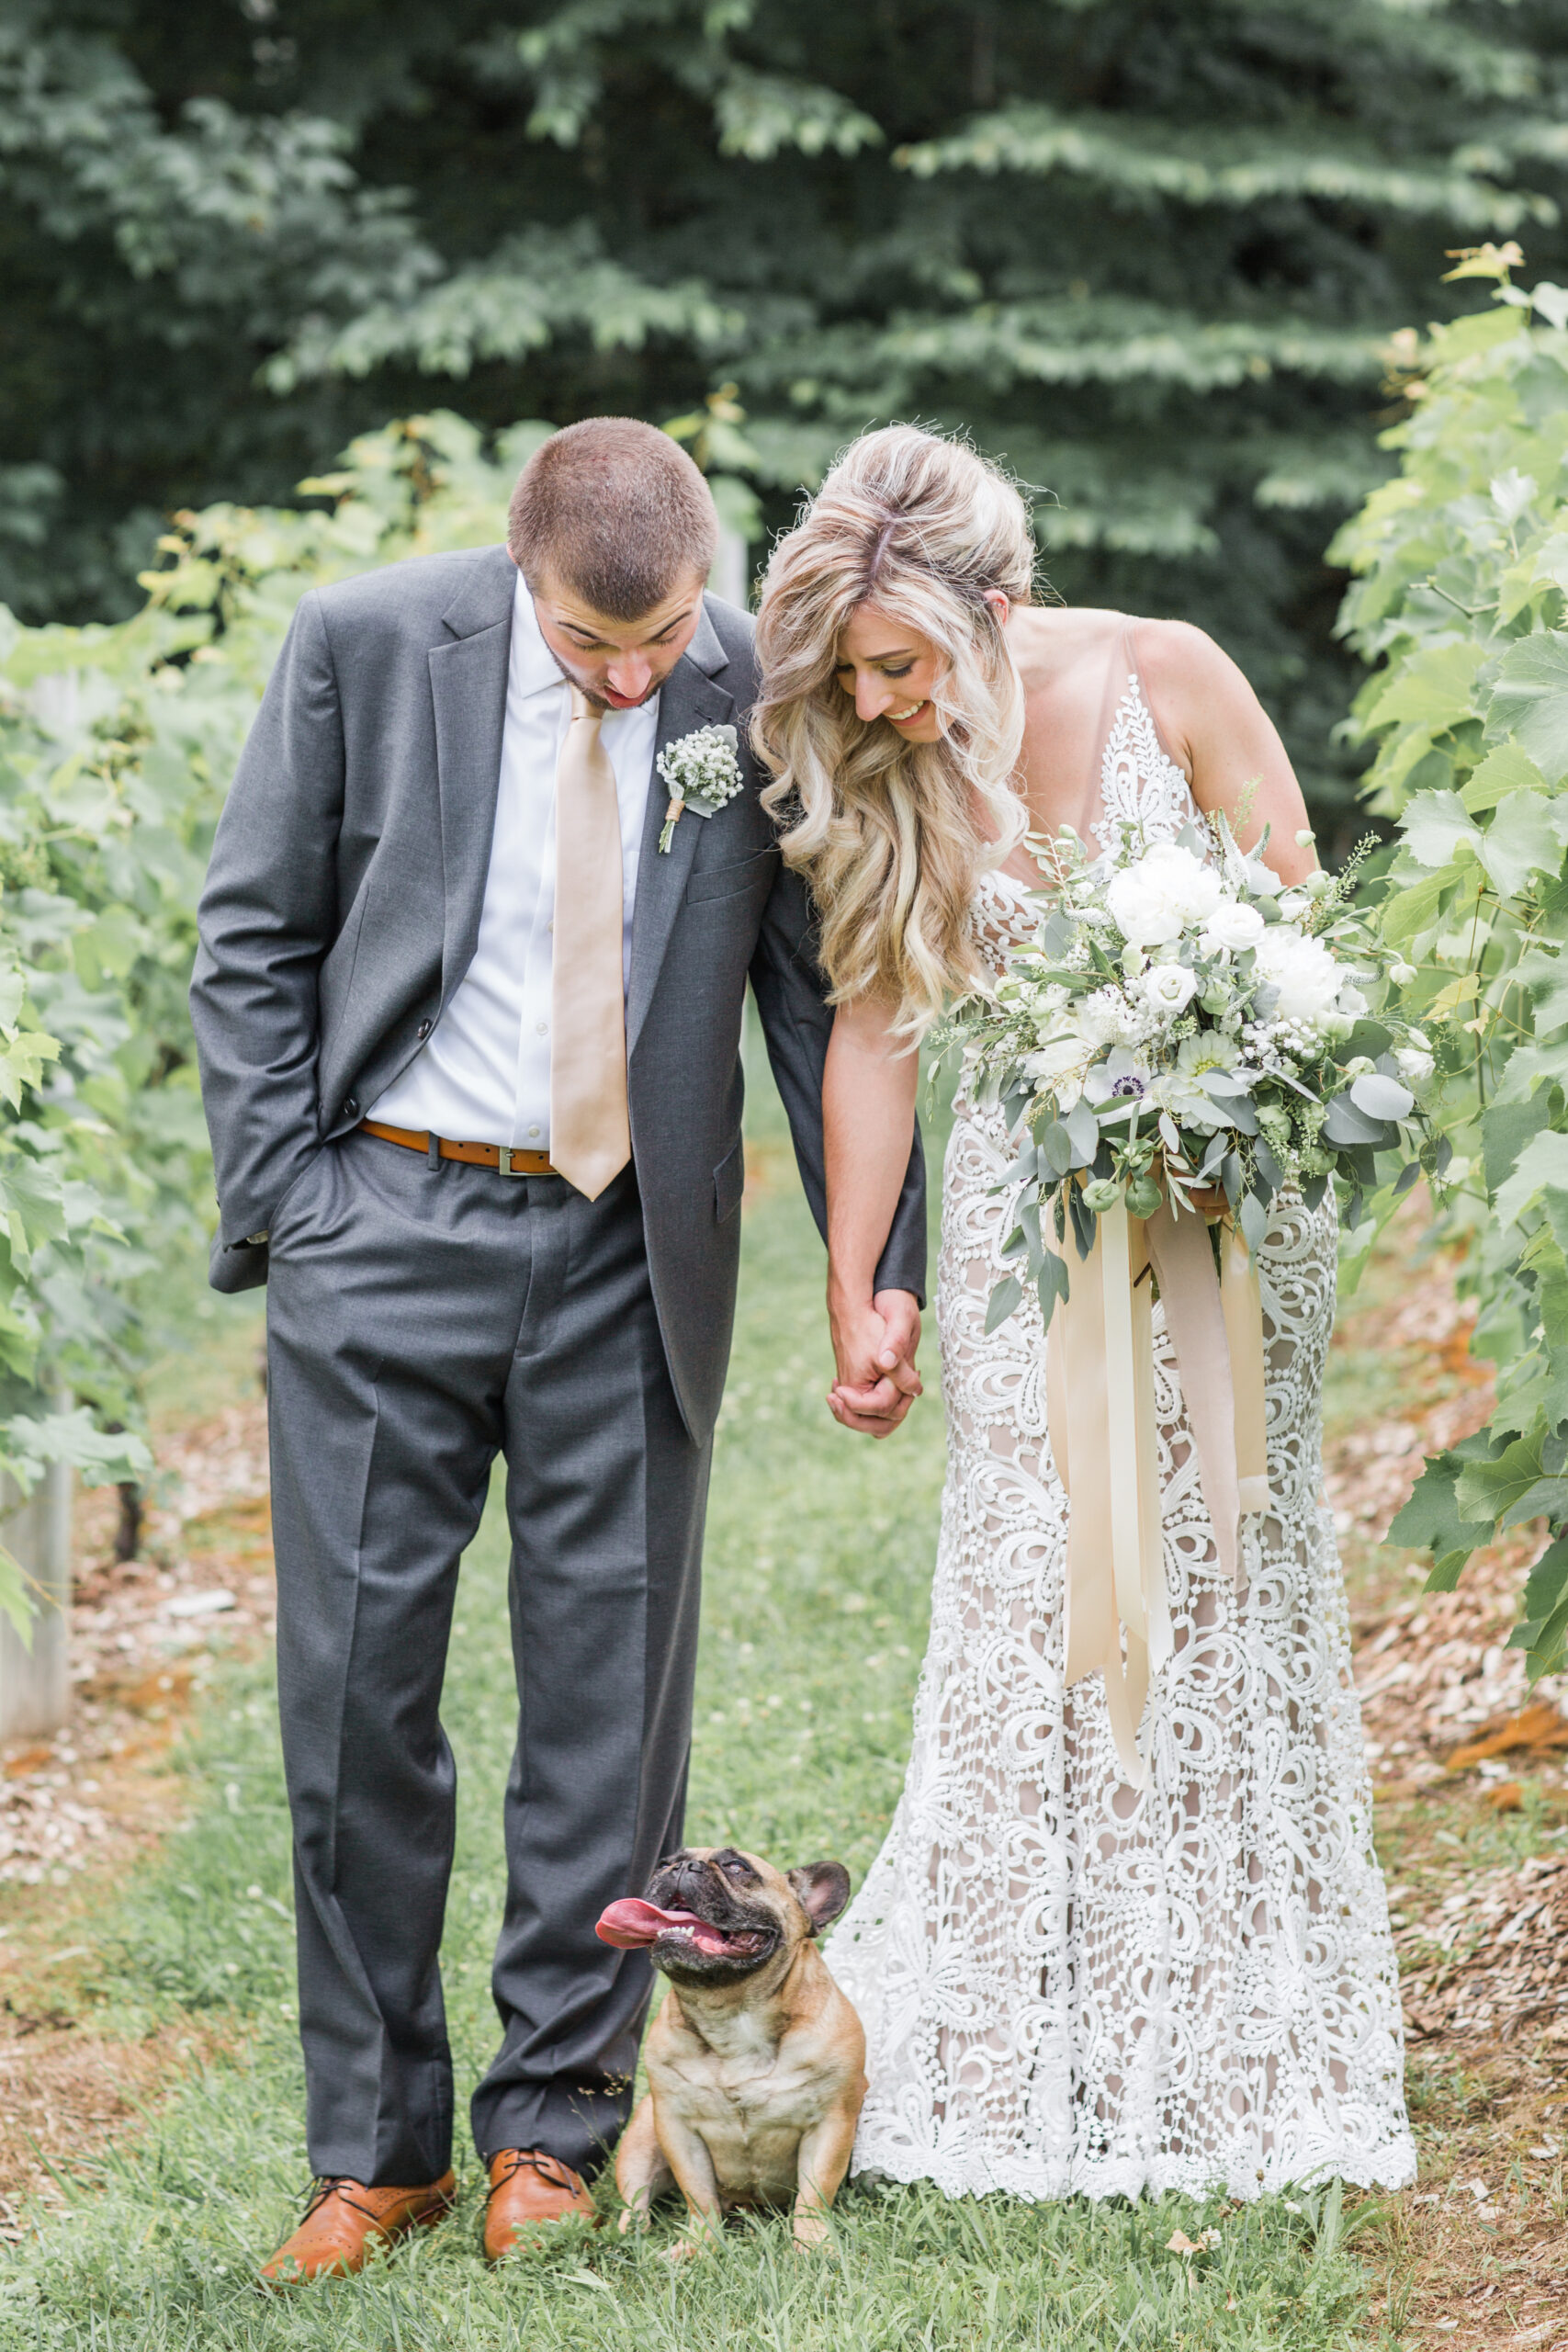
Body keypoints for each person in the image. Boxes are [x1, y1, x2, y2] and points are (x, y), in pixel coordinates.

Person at [189, 417, 926, 2281]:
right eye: (594, 646)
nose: (632, 676)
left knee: (607, 1707)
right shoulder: (364, 642)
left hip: (628, 1250)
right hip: (386, 1226)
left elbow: (812, 987)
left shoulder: (750, 683)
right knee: (356, 1704)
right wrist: (296, 1203)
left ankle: (554, 2128)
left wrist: (871, 1263)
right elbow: (253, 932)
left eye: (661, 636)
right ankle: (375, 2150)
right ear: (519, 559)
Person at [753, 424, 1416, 2201]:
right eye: (851, 673)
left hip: (1215, 1221)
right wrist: (857, 1295)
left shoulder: (1168, 676)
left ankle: (1218, 2019)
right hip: (1013, 1239)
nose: (881, 702)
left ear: (1001, 604)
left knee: (1213, 1574)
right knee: (1037, 1579)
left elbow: (1307, 930)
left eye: (902, 663)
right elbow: (878, 1036)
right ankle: (1036, 2019)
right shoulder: (886, 772)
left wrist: (1210, 1042)